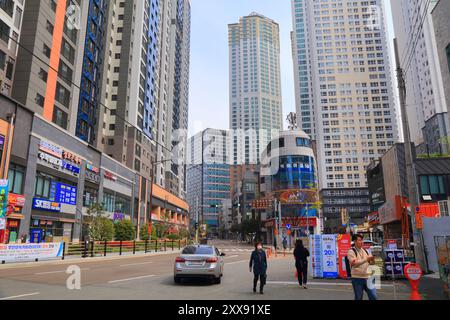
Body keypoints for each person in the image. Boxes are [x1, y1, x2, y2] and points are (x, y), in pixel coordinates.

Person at [347, 234, 377, 300]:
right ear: (355, 241)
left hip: (369, 277)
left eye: (362, 240)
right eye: (360, 240)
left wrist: (372, 260)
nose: (362, 242)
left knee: (373, 296)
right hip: (357, 278)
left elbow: (371, 263)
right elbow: (354, 263)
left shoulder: (365, 250)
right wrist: (366, 259)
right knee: (359, 297)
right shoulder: (351, 251)